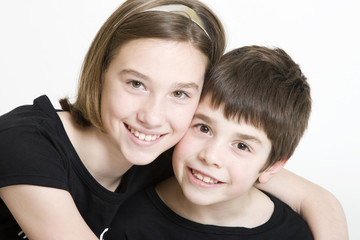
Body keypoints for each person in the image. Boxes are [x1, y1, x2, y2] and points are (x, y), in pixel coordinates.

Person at [0, 0, 348, 239]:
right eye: (136, 83)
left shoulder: (171, 150)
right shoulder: (24, 144)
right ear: (101, 71)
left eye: (180, 93)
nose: (152, 117)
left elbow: (316, 199)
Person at [105, 45, 315, 239]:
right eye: (204, 128)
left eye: (242, 146)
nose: (210, 156)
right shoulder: (131, 221)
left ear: (272, 166)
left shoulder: (294, 234)